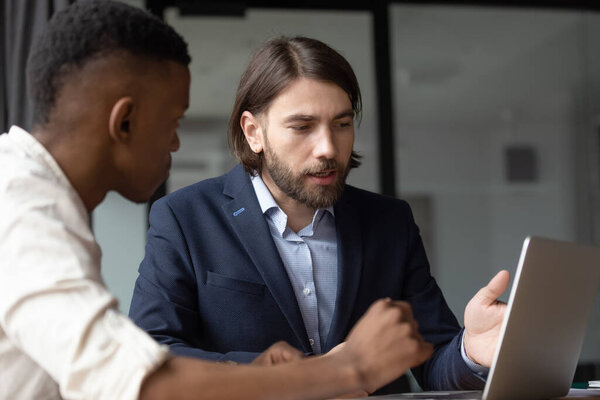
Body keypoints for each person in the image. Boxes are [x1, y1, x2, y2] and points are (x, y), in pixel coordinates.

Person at [0, 3, 435, 400]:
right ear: (125, 121)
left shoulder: (35, 198)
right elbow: (131, 381)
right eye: (172, 122)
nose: (174, 142)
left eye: (341, 123)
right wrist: (349, 368)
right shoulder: (23, 210)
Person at [129, 36, 510, 394]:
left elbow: (435, 364)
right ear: (253, 132)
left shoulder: (390, 223)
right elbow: (151, 355)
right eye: (302, 127)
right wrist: (301, 378)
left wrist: (471, 352)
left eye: (342, 124)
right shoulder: (184, 218)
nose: (328, 147)